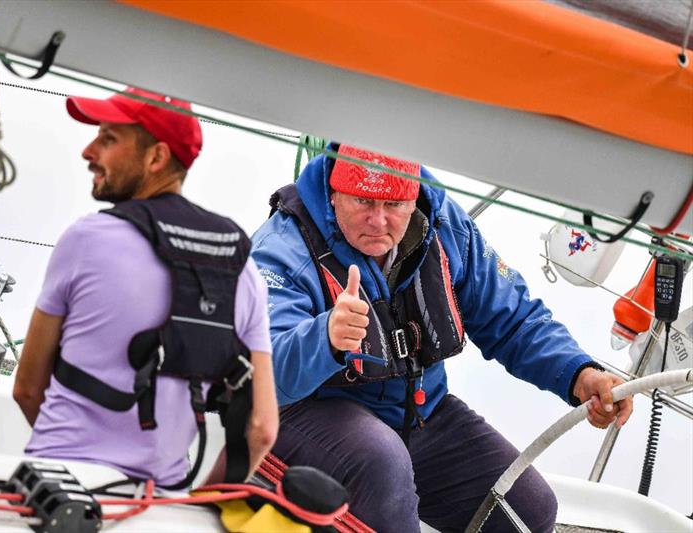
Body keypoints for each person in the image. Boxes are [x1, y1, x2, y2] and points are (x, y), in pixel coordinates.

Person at [250, 143, 633, 532]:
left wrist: (580, 374)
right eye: (364, 200)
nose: (379, 221)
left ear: (413, 197)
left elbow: (513, 318)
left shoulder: (444, 225)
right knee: (382, 463)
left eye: (395, 204)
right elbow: (261, 376)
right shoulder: (284, 247)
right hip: (307, 416)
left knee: (528, 508)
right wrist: (325, 338)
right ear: (334, 192)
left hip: (420, 416)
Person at [13, 87, 278, 488]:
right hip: (158, 501)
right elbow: (261, 429)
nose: (88, 151)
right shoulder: (243, 271)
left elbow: (27, 390)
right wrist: (193, 509)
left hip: (56, 487)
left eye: (108, 139)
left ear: (156, 157)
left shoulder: (86, 240)